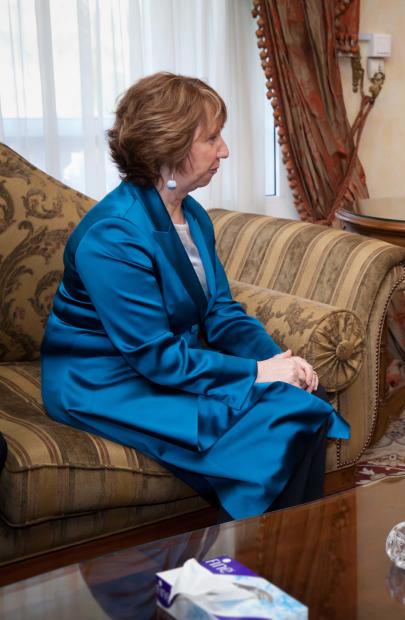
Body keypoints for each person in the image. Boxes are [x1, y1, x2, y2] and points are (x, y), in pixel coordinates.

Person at [41, 72, 349, 520]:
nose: (224, 150)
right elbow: (155, 358)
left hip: (167, 364)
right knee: (284, 423)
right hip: (105, 380)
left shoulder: (195, 217)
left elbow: (221, 312)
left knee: (304, 406)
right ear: (169, 145)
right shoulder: (114, 235)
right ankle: (247, 562)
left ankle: (282, 558)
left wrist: (281, 360)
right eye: (212, 137)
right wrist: (260, 373)